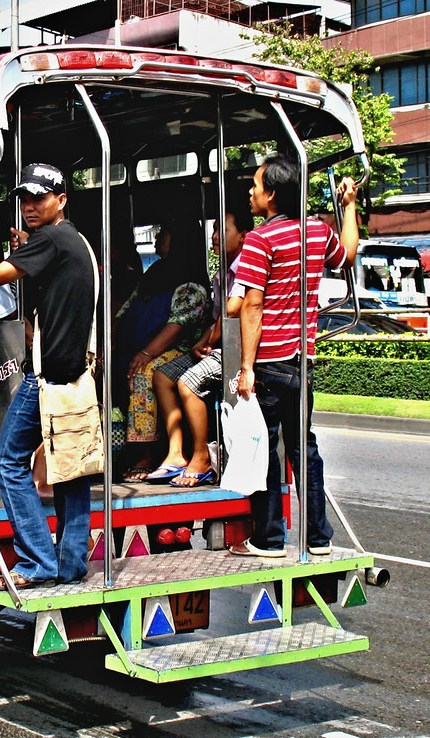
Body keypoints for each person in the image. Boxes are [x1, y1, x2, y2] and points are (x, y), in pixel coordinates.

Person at [0, 163, 96, 590]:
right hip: (76, 376)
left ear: (62, 200)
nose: (30, 206)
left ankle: (37, 561)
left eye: (40, 198)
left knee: (8, 463)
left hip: (47, 379)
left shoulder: (52, 240)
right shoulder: (73, 241)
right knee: (71, 471)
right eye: (25, 199)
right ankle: (70, 564)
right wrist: (29, 248)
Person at [229, 153, 359, 557]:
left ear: (271, 194)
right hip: (303, 359)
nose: (250, 192)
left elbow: (251, 305)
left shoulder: (260, 239)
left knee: (265, 448)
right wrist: (349, 206)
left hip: (269, 362)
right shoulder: (317, 231)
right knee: (305, 448)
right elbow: (348, 254)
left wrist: (246, 368)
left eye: (255, 185)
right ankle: (318, 537)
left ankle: (268, 539)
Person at [148, 207, 254, 486]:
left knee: (189, 383)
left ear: (243, 236)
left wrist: (206, 341)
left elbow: (232, 310)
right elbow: (216, 319)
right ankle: (176, 453)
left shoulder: (246, 266)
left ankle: (202, 456)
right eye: (214, 230)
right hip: (216, 347)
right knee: (162, 376)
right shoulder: (221, 275)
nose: (215, 237)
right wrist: (203, 342)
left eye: (223, 230)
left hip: (236, 351)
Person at [114, 214, 211, 482]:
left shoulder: (191, 282)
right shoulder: (155, 273)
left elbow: (177, 326)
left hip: (181, 351)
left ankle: (147, 453)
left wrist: (145, 354)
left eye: (164, 233)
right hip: (142, 346)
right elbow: (126, 310)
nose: (157, 238)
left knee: (144, 372)